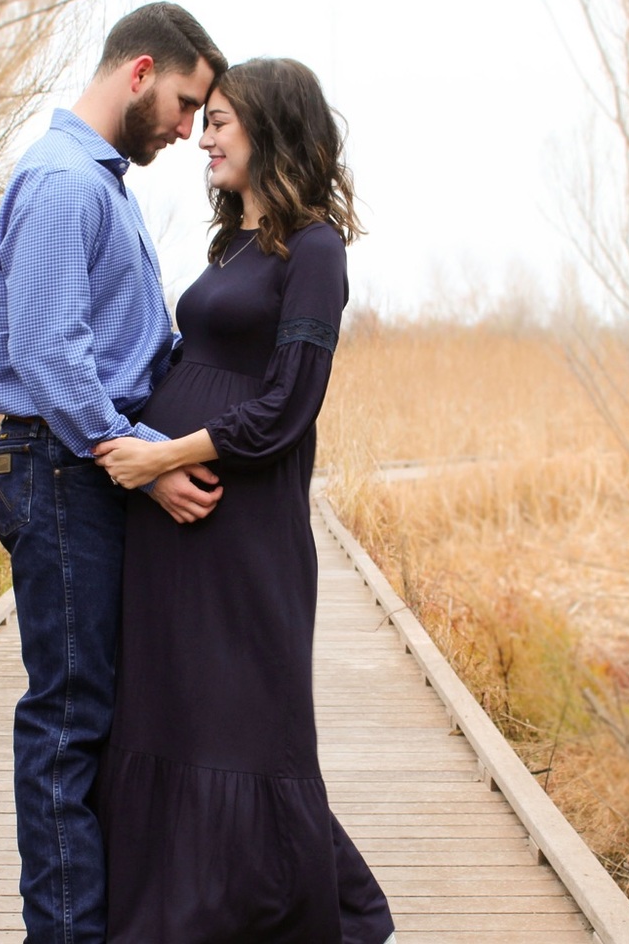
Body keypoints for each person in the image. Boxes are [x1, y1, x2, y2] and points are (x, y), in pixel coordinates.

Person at [93, 58, 397, 944]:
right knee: (174, 707)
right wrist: (145, 457)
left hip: (243, 526)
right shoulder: (231, 247)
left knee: (249, 720)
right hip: (176, 525)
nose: (203, 138)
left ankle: (298, 911)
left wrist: (161, 456)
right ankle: (174, 914)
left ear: (271, 128)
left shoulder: (315, 250)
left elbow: (288, 405)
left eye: (221, 121)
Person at [0, 3, 227, 944]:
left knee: (96, 714)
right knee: (68, 721)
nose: (187, 128)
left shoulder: (100, 183)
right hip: (65, 466)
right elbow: (49, 350)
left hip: (81, 466)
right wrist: (139, 463)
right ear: (141, 71)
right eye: (185, 103)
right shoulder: (63, 181)